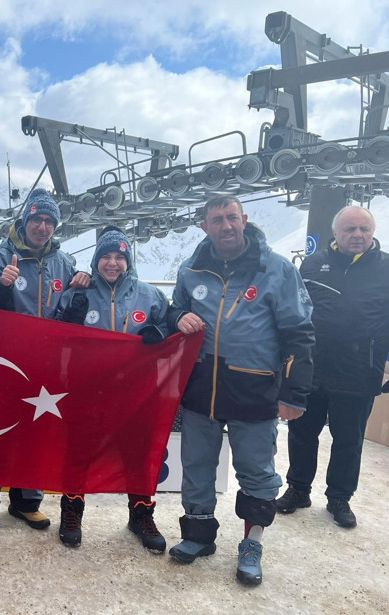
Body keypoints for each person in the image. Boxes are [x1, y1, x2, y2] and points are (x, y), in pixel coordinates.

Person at [166, 195, 314, 586]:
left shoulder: (277, 269)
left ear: (245, 219)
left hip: (255, 388)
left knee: (256, 470)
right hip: (201, 388)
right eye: (217, 219)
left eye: (232, 217)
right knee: (197, 466)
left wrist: (294, 394)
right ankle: (198, 535)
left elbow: (300, 334)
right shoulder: (191, 269)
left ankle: (252, 543)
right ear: (204, 226)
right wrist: (179, 315)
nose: (226, 225)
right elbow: (173, 310)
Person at [0, 188, 90, 535]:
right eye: (36, 219)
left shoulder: (63, 263)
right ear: (24, 221)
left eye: (49, 221)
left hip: (45, 362)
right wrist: (3, 286)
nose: (42, 226)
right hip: (4, 358)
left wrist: (82, 285)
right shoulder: (1, 257)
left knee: (35, 432)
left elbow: (69, 313)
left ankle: (26, 502)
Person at [55, 227, 170, 550]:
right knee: (79, 450)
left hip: (136, 392)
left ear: (128, 261)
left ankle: (141, 513)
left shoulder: (149, 295)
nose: (112, 263)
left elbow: (171, 324)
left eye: (119, 256)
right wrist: (71, 314)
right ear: (95, 260)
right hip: (88, 388)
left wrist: (158, 331)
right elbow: (53, 331)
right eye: (105, 256)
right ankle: (72, 510)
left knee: (137, 454)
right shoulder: (82, 292)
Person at [276, 206, 389, 528]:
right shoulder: (313, 264)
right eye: (350, 229)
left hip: (359, 370)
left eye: (364, 229)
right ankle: (298, 489)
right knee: (301, 433)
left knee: (348, 439)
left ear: (373, 232)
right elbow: (294, 313)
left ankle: (339, 498)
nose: (358, 235)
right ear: (336, 233)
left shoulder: (386, 267)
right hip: (311, 367)